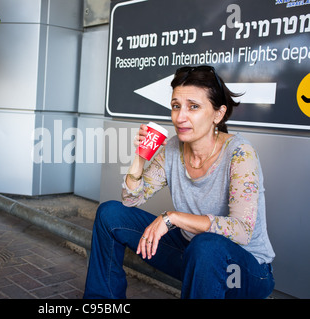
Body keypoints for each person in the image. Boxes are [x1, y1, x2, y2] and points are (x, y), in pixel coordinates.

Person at [83, 65, 275, 299]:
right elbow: (131, 199)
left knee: (206, 246)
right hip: (192, 254)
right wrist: (140, 157)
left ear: (218, 113)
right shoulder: (174, 148)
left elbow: (242, 231)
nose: (180, 117)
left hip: (244, 272)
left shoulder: (240, 153)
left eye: (193, 107)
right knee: (109, 214)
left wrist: (172, 218)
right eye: (176, 106)